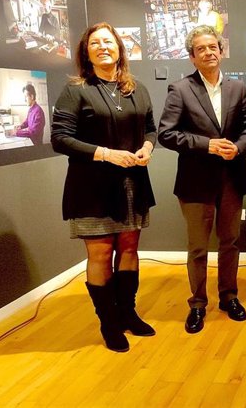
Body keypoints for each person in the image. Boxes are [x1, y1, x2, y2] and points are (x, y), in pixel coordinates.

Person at [51, 22, 156, 352]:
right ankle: (109, 323)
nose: (102, 47)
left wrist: (147, 149)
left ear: (119, 48)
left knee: (129, 249)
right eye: (94, 43)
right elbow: (60, 139)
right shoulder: (75, 90)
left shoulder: (135, 88)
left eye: (108, 41)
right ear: (86, 52)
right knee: (100, 254)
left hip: (132, 183)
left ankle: (128, 313)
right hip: (91, 186)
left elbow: (150, 129)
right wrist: (105, 154)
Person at [158, 25, 246, 333]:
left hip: (231, 178)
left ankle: (229, 297)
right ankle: (198, 304)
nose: (208, 52)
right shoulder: (180, 89)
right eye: (200, 49)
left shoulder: (237, 89)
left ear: (221, 50)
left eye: (212, 46)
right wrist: (208, 145)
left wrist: (238, 148)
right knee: (198, 247)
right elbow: (166, 133)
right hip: (195, 181)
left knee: (230, 242)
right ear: (192, 56)